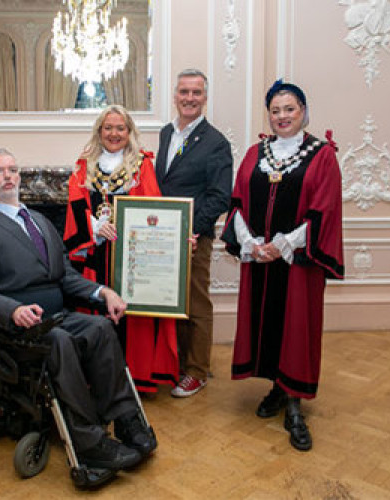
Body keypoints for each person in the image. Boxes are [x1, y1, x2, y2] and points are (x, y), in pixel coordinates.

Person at [0, 148, 157, 472]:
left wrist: (103, 291)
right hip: (16, 325)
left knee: (102, 328)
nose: (7, 176)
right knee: (61, 342)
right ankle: (90, 443)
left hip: (57, 314)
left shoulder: (40, 221)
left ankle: (125, 421)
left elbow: (65, 276)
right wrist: (13, 310)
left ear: (19, 176)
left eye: (12, 169)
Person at [220, 80, 344, 451]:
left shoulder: (322, 155)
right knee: (268, 325)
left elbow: (325, 209)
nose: (282, 116)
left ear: (303, 111)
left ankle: (295, 403)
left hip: (297, 261)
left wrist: (284, 244)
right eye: (275, 110)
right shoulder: (257, 152)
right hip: (261, 259)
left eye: (289, 109)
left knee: (296, 329)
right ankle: (276, 387)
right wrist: (252, 243)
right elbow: (239, 200)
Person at [63, 105, 178, 395]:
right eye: (108, 128)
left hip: (132, 256)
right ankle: (97, 377)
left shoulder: (142, 165)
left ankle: (132, 376)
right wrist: (94, 228)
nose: (114, 134)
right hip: (95, 254)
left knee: (131, 316)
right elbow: (74, 207)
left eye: (120, 128)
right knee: (96, 313)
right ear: (99, 131)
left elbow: (155, 208)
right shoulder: (84, 165)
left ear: (129, 132)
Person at [155, 69, 233, 397]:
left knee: (196, 304)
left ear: (205, 97)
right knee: (172, 302)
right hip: (163, 236)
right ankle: (180, 363)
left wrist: (193, 230)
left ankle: (198, 371)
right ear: (175, 95)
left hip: (193, 238)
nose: (189, 98)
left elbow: (220, 196)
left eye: (196, 93)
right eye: (184, 92)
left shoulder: (216, 142)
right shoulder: (165, 133)